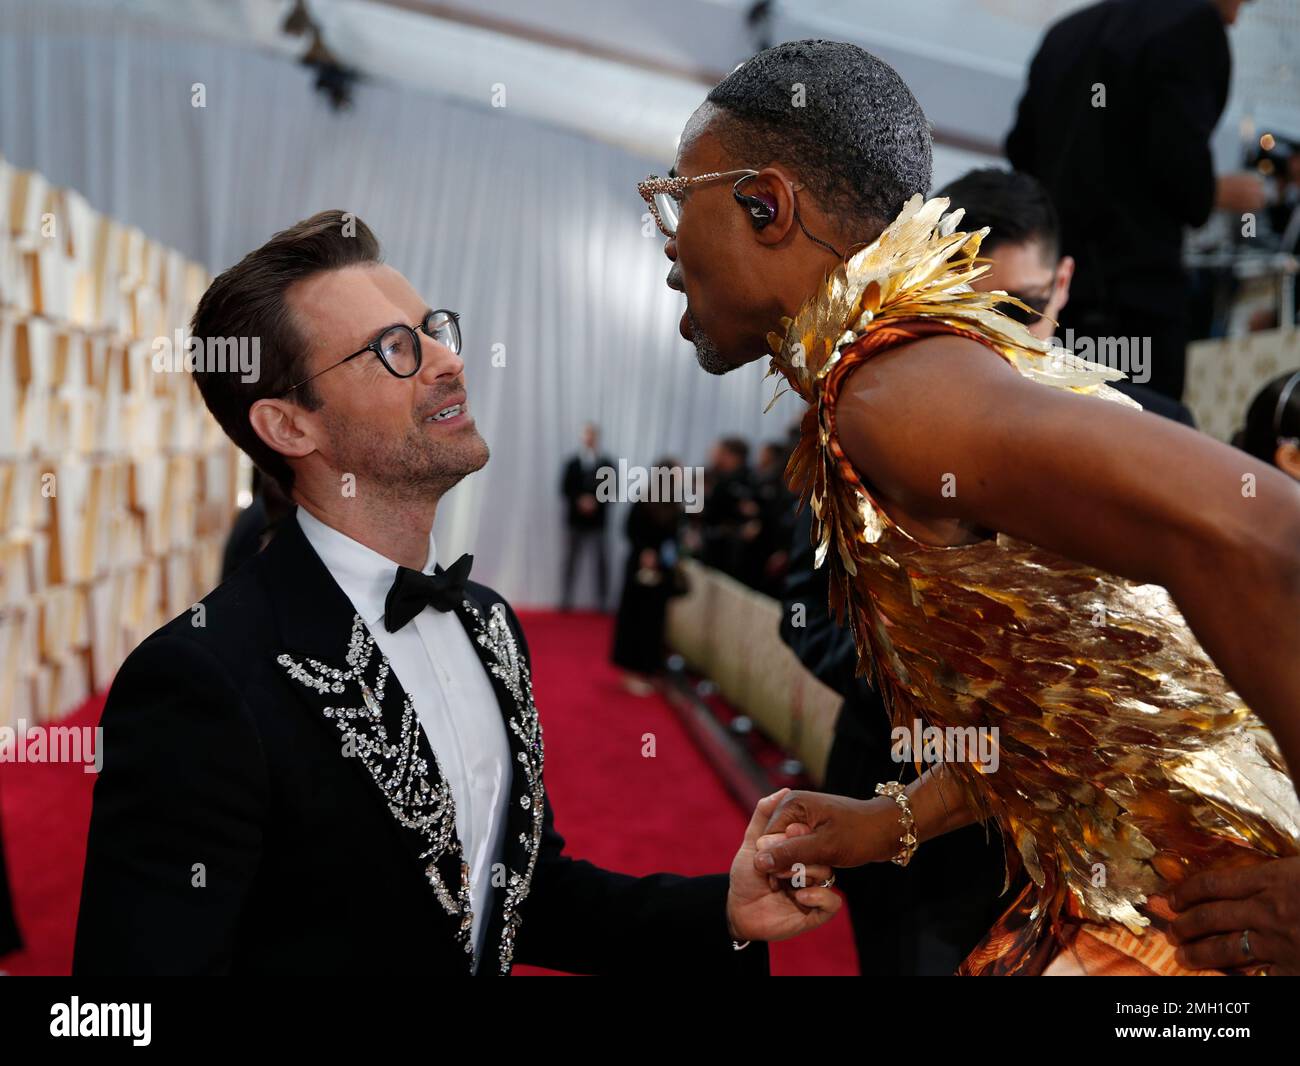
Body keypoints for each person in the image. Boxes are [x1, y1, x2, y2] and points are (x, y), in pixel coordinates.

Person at [640, 38, 1300, 975]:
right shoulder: (877, 383)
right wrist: (892, 819)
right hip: (1123, 885)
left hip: (1193, 909)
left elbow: (1267, 530)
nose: (668, 241)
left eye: (677, 196)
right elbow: (1061, 693)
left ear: (765, 203)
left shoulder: (890, 391)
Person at [73, 211, 840, 976]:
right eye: (395, 348)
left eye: (434, 328)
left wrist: (721, 913)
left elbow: (515, 894)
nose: (448, 361)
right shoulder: (200, 680)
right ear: (288, 426)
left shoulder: (490, 623)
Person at [781, 504, 1008, 974]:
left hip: (1028, 817)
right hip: (884, 779)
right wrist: (903, 676)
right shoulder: (847, 461)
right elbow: (803, 617)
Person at [1005, 0, 1265, 403]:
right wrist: (1220, 192)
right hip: (1137, 297)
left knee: (1054, 431)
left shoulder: (1068, 31)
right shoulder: (1194, 27)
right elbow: (1179, 168)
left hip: (1055, 295)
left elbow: (1021, 148)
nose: (1241, 13)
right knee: (1144, 436)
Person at [936, 167, 1196, 424]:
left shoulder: (1151, 425)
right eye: (963, 310)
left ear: (1062, 283)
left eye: (1020, 309)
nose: (993, 338)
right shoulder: (901, 413)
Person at [610, 458, 687, 694]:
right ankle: (630, 671)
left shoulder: (675, 503)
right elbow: (630, 530)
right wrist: (645, 551)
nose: (679, 477)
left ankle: (648, 668)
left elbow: (674, 537)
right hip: (639, 570)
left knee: (655, 621)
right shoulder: (644, 499)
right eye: (675, 474)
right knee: (636, 619)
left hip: (663, 573)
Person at [559, 423, 613, 611]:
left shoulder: (607, 464)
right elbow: (565, 489)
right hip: (576, 520)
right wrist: (579, 501)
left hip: (597, 522)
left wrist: (595, 502)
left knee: (601, 561)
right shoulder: (572, 463)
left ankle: (603, 600)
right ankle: (566, 598)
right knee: (571, 560)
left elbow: (611, 491)